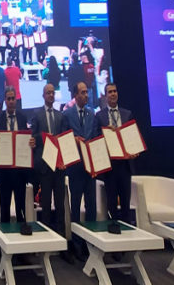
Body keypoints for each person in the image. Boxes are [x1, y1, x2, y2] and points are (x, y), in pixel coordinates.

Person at [31, 84, 72, 261]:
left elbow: (65, 139)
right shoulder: (37, 114)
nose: (50, 95)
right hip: (44, 167)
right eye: (48, 93)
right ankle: (47, 244)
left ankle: (62, 245)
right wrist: (46, 137)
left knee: (60, 206)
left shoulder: (61, 116)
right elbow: (33, 137)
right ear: (43, 95)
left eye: (52, 93)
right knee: (46, 206)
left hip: (59, 167)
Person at [62, 82, 100, 260]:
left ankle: (90, 243)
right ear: (76, 95)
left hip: (91, 168)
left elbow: (96, 137)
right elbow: (63, 138)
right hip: (75, 168)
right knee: (75, 207)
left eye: (87, 92)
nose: (86, 95)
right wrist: (74, 139)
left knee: (91, 206)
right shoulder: (67, 115)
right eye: (83, 92)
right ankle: (76, 245)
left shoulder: (92, 114)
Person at [0, 87, 35, 223]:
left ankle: (22, 234)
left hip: (20, 172)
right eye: (8, 99)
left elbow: (27, 141)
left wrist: (31, 143)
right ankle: (4, 235)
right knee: (4, 210)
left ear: (16, 100)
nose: (11, 101)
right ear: (5, 101)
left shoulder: (22, 118)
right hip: (4, 172)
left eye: (13, 98)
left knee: (21, 210)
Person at [95, 83, 135, 222]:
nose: (113, 94)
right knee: (111, 203)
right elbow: (96, 138)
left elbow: (132, 136)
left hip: (125, 165)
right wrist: (106, 134)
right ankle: (113, 229)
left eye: (115, 91)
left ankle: (128, 230)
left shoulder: (127, 114)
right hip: (109, 166)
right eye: (110, 92)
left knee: (125, 203)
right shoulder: (99, 116)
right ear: (106, 96)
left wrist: (134, 150)